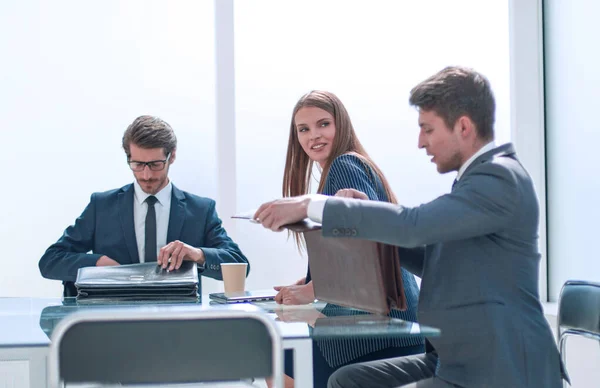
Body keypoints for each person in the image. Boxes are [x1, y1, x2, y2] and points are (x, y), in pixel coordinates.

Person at [255, 68, 568, 388]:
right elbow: (430, 258)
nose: (420, 142)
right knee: (347, 381)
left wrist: (311, 204)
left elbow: (414, 226)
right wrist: (366, 225)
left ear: (462, 126)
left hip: (500, 365)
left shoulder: (499, 179)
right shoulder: (473, 182)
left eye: (428, 129)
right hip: (454, 359)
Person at [270, 91, 423, 388]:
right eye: (304, 129)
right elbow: (358, 249)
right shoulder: (354, 165)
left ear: (341, 125)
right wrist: (309, 282)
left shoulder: (344, 167)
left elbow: (361, 259)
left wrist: (312, 291)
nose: (314, 135)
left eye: (323, 124)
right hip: (395, 328)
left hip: (375, 339)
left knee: (273, 356)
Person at [39, 115, 248, 296]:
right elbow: (50, 261)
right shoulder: (101, 206)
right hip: (112, 326)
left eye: (156, 164)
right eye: (138, 165)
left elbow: (240, 265)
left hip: (178, 329)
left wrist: (198, 255)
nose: (146, 175)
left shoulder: (201, 210)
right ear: (128, 157)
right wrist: (97, 264)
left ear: (172, 156)